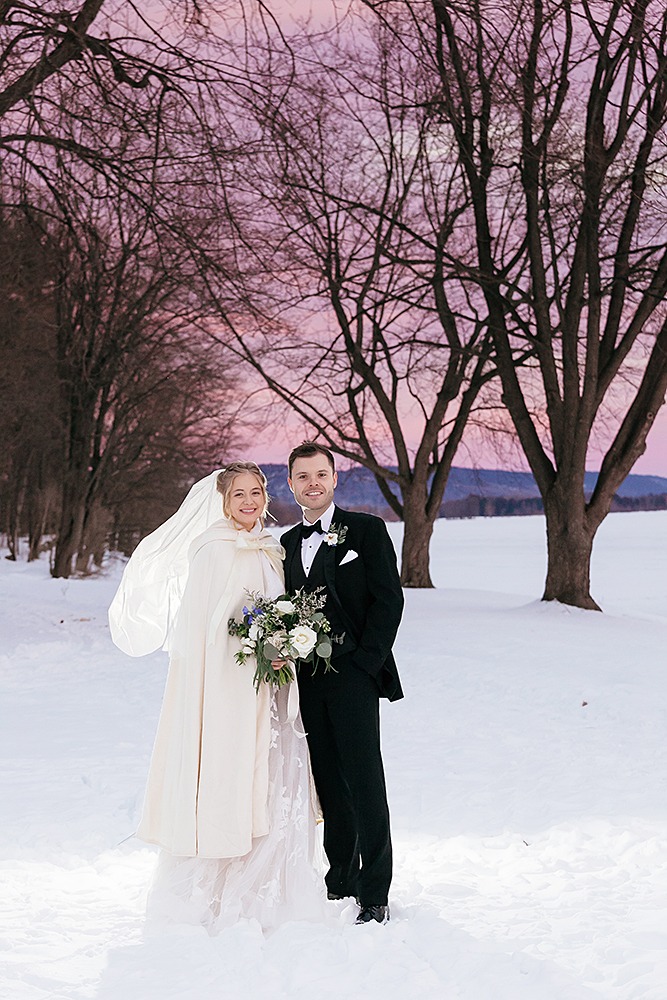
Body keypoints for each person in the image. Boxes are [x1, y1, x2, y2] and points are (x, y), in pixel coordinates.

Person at [108, 462, 324, 931]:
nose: (248, 502)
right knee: (229, 773)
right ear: (223, 502)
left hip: (271, 688)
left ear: (266, 497)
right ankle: (218, 883)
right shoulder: (212, 549)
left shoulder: (271, 548)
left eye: (255, 493)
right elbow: (202, 631)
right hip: (228, 688)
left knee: (269, 777)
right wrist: (250, 648)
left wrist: (282, 643)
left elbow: (276, 609)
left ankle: (271, 883)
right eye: (238, 495)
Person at [281, 442, 404, 925]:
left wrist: (365, 663)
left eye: (320, 474)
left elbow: (388, 600)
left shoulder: (367, 530)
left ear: (335, 479)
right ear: (290, 485)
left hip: (353, 677)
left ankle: (375, 892)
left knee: (365, 781)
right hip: (306, 681)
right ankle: (341, 881)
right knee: (329, 783)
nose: (312, 483)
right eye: (302, 476)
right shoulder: (287, 544)